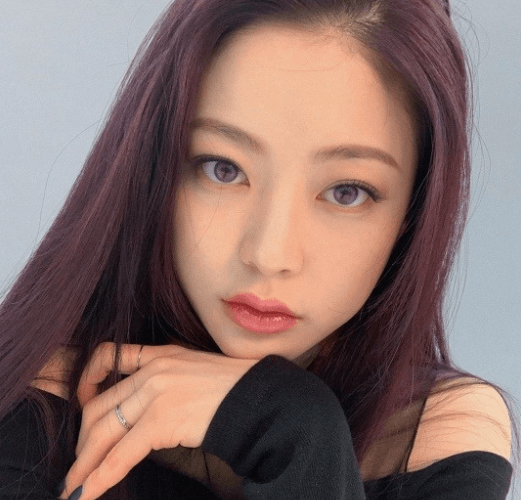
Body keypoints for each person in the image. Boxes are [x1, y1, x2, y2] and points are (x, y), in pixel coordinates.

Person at [0, 0, 518, 499]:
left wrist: (296, 430)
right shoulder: (39, 400)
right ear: (156, 166)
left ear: (411, 214)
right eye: (223, 169)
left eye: (346, 192)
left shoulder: (436, 436)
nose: (269, 255)